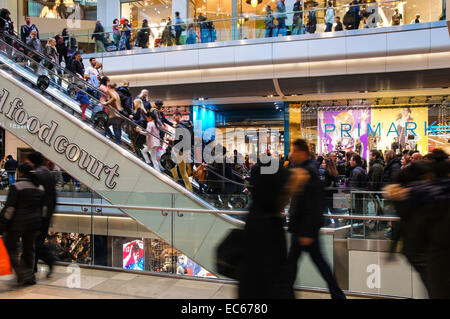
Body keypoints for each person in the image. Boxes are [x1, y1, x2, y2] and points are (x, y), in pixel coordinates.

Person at [287, 139, 346, 299]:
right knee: (298, 265)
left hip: (305, 230)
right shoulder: (305, 168)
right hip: (303, 228)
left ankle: (338, 295)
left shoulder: (309, 171)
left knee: (314, 264)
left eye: (294, 151)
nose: (291, 154)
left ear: (303, 152)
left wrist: (307, 231)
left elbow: (313, 203)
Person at [239, 163, 295, 299]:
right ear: (273, 192)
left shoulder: (263, 218)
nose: (288, 198)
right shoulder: (264, 226)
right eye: (285, 191)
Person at [1, 163, 46, 285]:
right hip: (35, 223)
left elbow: (10, 209)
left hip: (18, 224)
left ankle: (23, 274)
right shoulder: (40, 187)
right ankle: (29, 275)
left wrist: (3, 223)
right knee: (29, 249)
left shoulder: (17, 186)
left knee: (10, 248)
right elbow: (44, 209)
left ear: (20, 172)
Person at [28, 152, 56, 279]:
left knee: (34, 242)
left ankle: (49, 258)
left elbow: (34, 196)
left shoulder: (35, 174)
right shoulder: (49, 173)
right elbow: (54, 195)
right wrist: (52, 213)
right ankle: (33, 268)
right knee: (37, 241)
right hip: (47, 213)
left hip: (37, 213)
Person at [172, 111, 193, 191]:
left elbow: (178, 139)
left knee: (182, 171)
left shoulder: (179, 126)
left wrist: (173, 142)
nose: (174, 119)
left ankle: (189, 188)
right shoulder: (188, 125)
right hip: (187, 148)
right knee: (182, 168)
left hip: (181, 150)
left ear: (178, 116)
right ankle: (179, 183)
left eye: (174, 117)